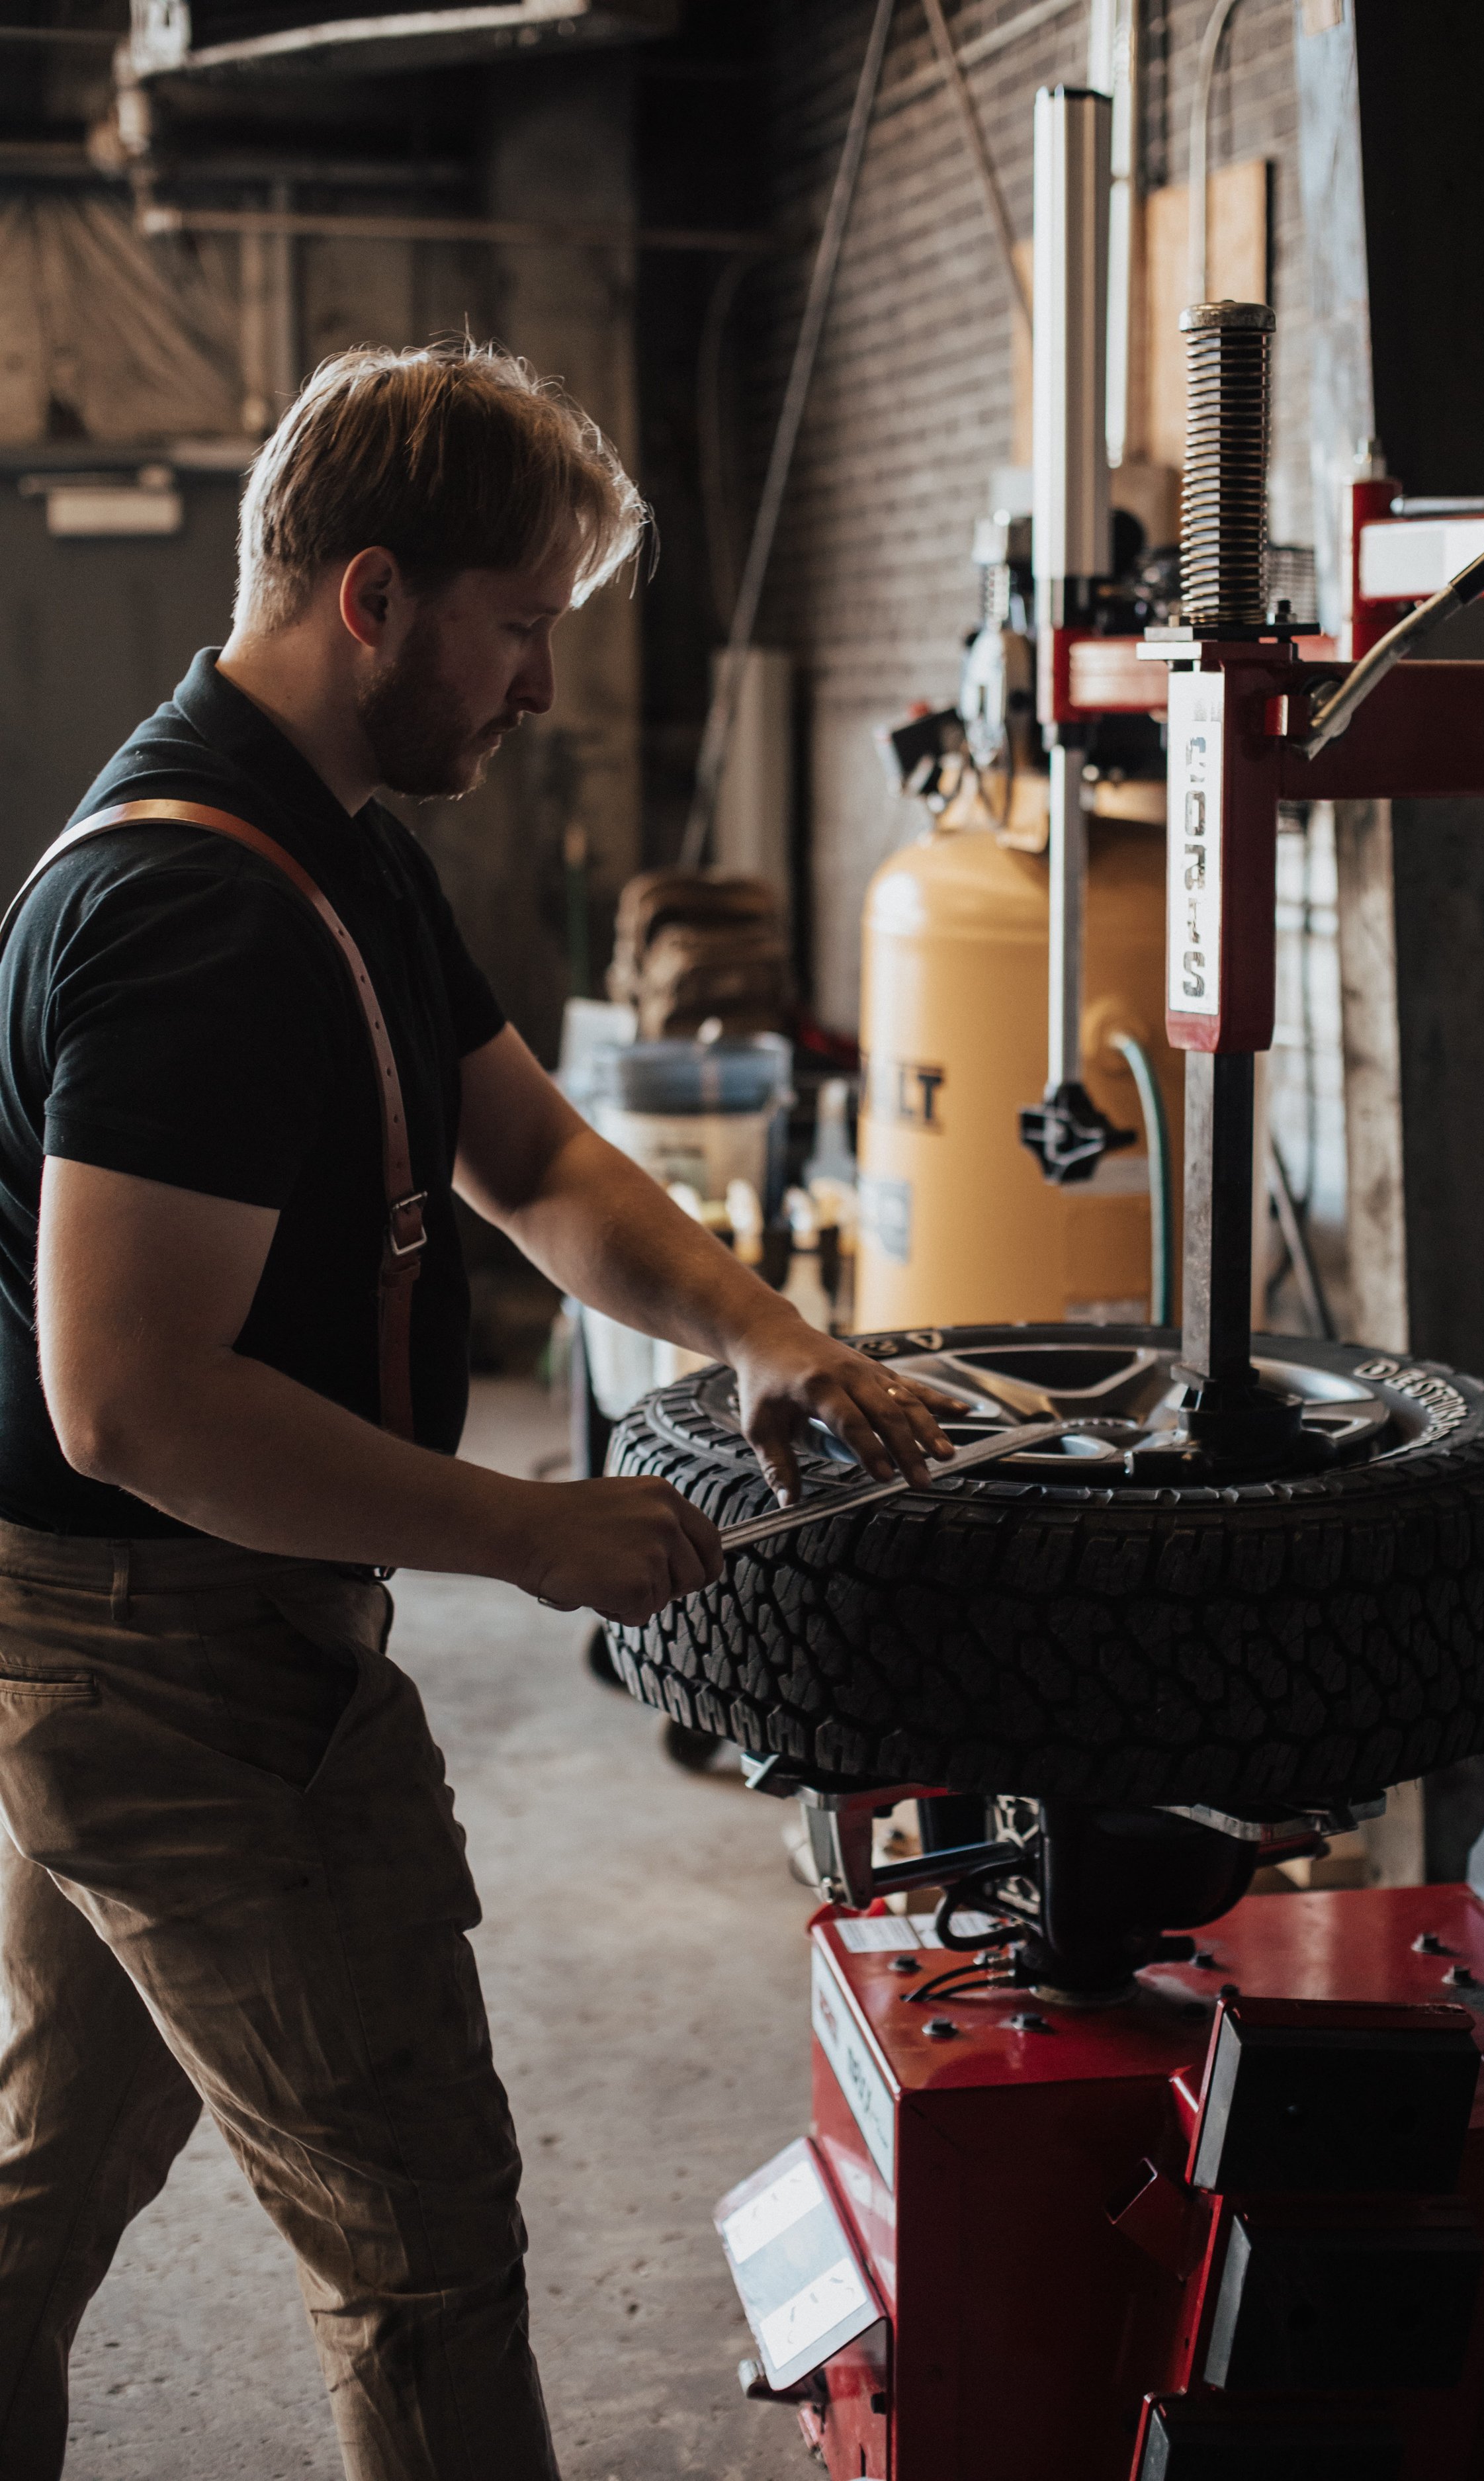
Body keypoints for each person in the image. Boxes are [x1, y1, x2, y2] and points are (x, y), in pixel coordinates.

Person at [0, 342, 955, 2481]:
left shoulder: (327, 841)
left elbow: (525, 1159)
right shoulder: (189, 909)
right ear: (369, 596)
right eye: (520, 627)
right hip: (176, 1664)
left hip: (149, 1642)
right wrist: (528, 1528)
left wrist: (753, 1330)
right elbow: (130, 1402)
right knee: (420, 2252)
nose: (538, 688)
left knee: (44, 2190)